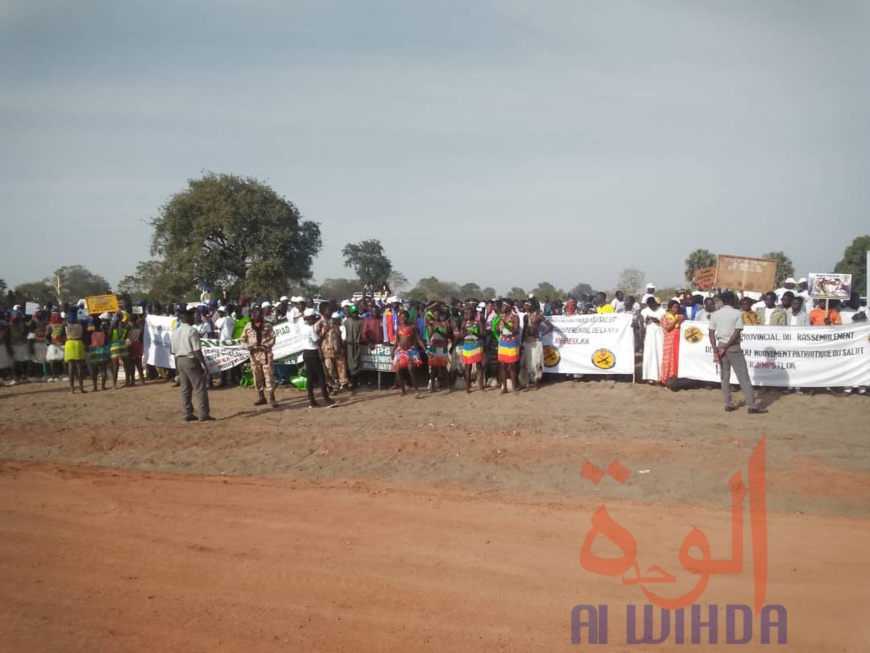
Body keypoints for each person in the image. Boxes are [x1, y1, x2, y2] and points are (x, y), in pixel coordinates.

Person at [709, 291, 767, 414]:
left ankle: (728, 403)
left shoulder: (715, 314)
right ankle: (752, 405)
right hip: (734, 347)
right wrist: (726, 346)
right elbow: (736, 333)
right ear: (732, 300)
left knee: (724, 376)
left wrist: (716, 349)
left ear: (723, 301)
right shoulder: (737, 313)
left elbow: (711, 333)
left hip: (720, 346)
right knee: (743, 377)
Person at [170, 307, 213, 422]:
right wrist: (204, 364)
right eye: (192, 316)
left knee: (185, 389)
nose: (194, 318)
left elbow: (173, 352)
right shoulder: (192, 330)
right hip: (191, 360)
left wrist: (177, 370)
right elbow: (196, 349)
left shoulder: (175, 331)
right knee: (200, 388)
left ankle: (187, 412)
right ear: (187, 317)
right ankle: (203, 414)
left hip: (179, 360)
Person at [240, 306, 278, 407]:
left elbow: (273, 339)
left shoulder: (267, 326)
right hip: (254, 355)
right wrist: (248, 347)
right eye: (257, 315)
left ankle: (272, 398)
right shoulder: (248, 326)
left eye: (261, 314)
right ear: (253, 315)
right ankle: (261, 397)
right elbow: (242, 340)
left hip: (266, 354)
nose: (259, 317)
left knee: (269, 375)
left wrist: (267, 345)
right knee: (257, 376)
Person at [301, 308, 334, 408]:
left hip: (306, 352)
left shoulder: (302, 327)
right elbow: (317, 340)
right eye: (313, 318)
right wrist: (325, 333)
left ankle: (311, 400)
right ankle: (326, 399)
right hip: (312, 352)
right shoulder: (310, 328)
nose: (315, 320)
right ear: (309, 318)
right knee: (321, 376)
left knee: (310, 377)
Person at [392, 310, 425, 395]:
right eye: (401, 317)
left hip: (411, 351)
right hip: (401, 351)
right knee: (398, 371)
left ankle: (416, 390)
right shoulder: (398, 327)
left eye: (404, 317)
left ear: (407, 317)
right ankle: (403, 391)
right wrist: (393, 351)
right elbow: (397, 341)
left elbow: (418, 339)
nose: (402, 319)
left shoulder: (413, 327)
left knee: (411, 370)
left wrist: (425, 349)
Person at [519, 299, 551, 389]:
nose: (525, 306)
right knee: (525, 363)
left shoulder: (539, 316)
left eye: (527, 304)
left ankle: (537, 382)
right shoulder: (525, 317)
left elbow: (550, 326)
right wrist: (522, 343)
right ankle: (524, 382)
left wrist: (541, 334)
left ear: (532, 306)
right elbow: (525, 330)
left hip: (536, 341)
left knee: (537, 363)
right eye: (525, 304)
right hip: (527, 342)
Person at [425, 307, 453, 392]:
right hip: (434, 346)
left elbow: (446, 335)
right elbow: (429, 336)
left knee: (443, 367)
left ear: (440, 315)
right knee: (433, 368)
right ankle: (433, 387)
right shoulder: (431, 323)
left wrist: (438, 331)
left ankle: (448, 386)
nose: (436, 316)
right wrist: (433, 329)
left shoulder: (444, 323)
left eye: (437, 315)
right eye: (435, 315)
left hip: (442, 346)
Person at [459, 306, 485, 393]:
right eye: (466, 313)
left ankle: (481, 387)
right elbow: (461, 337)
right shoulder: (464, 323)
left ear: (474, 314)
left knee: (479, 366)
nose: (467, 315)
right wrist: (466, 332)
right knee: (468, 366)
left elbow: (482, 335)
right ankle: (467, 388)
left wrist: (474, 333)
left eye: (469, 313)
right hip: (467, 345)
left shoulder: (478, 323)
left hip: (476, 345)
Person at [496, 301, 520, 393]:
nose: (501, 307)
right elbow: (499, 330)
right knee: (502, 365)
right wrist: (498, 328)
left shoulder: (515, 317)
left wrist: (506, 325)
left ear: (508, 307)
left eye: (503, 306)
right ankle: (504, 388)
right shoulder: (501, 317)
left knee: (512, 365)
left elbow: (516, 331)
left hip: (512, 342)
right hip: (502, 342)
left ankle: (514, 388)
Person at [321, 312, 350, 392]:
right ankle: (330, 385)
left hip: (338, 351)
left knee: (341, 368)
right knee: (329, 368)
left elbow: (343, 340)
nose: (337, 321)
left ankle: (344, 384)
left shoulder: (341, 328)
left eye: (338, 320)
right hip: (328, 351)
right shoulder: (328, 328)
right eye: (335, 320)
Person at [641, 297, 666, 383]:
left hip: (659, 335)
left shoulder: (662, 311)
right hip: (649, 336)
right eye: (650, 305)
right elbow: (641, 325)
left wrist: (658, 321)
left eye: (653, 304)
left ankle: (660, 377)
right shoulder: (644, 311)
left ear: (655, 303)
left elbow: (665, 323)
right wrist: (645, 321)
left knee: (660, 353)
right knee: (649, 354)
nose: (652, 306)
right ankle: (650, 377)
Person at [659, 300, 684, 384]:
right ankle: (666, 378)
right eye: (674, 307)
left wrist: (681, 320)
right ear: (670, 308)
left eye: (677, 307)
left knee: (677, 358)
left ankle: (676, 376)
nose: (676, 309)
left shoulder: (680, 316)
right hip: (669, 341)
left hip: (678, 339)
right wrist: (676, 320)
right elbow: (668, 328)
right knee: (669, 358)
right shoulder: (664, 317)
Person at [64, 309, 87, 394]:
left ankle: (72, 389)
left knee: (70, 367)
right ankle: (81, 388)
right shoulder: (80, 325)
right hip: (78, 343)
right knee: (79, 366)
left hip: (69, 343)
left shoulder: (66, 325)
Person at [87, 316, 110, 391]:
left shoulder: (91, 332)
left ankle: (95, 387)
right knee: (103, 369)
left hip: (94, 351)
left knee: (94, 370)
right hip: (103, 350)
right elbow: (106, 341)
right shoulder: (104, 332)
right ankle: (103, 386)